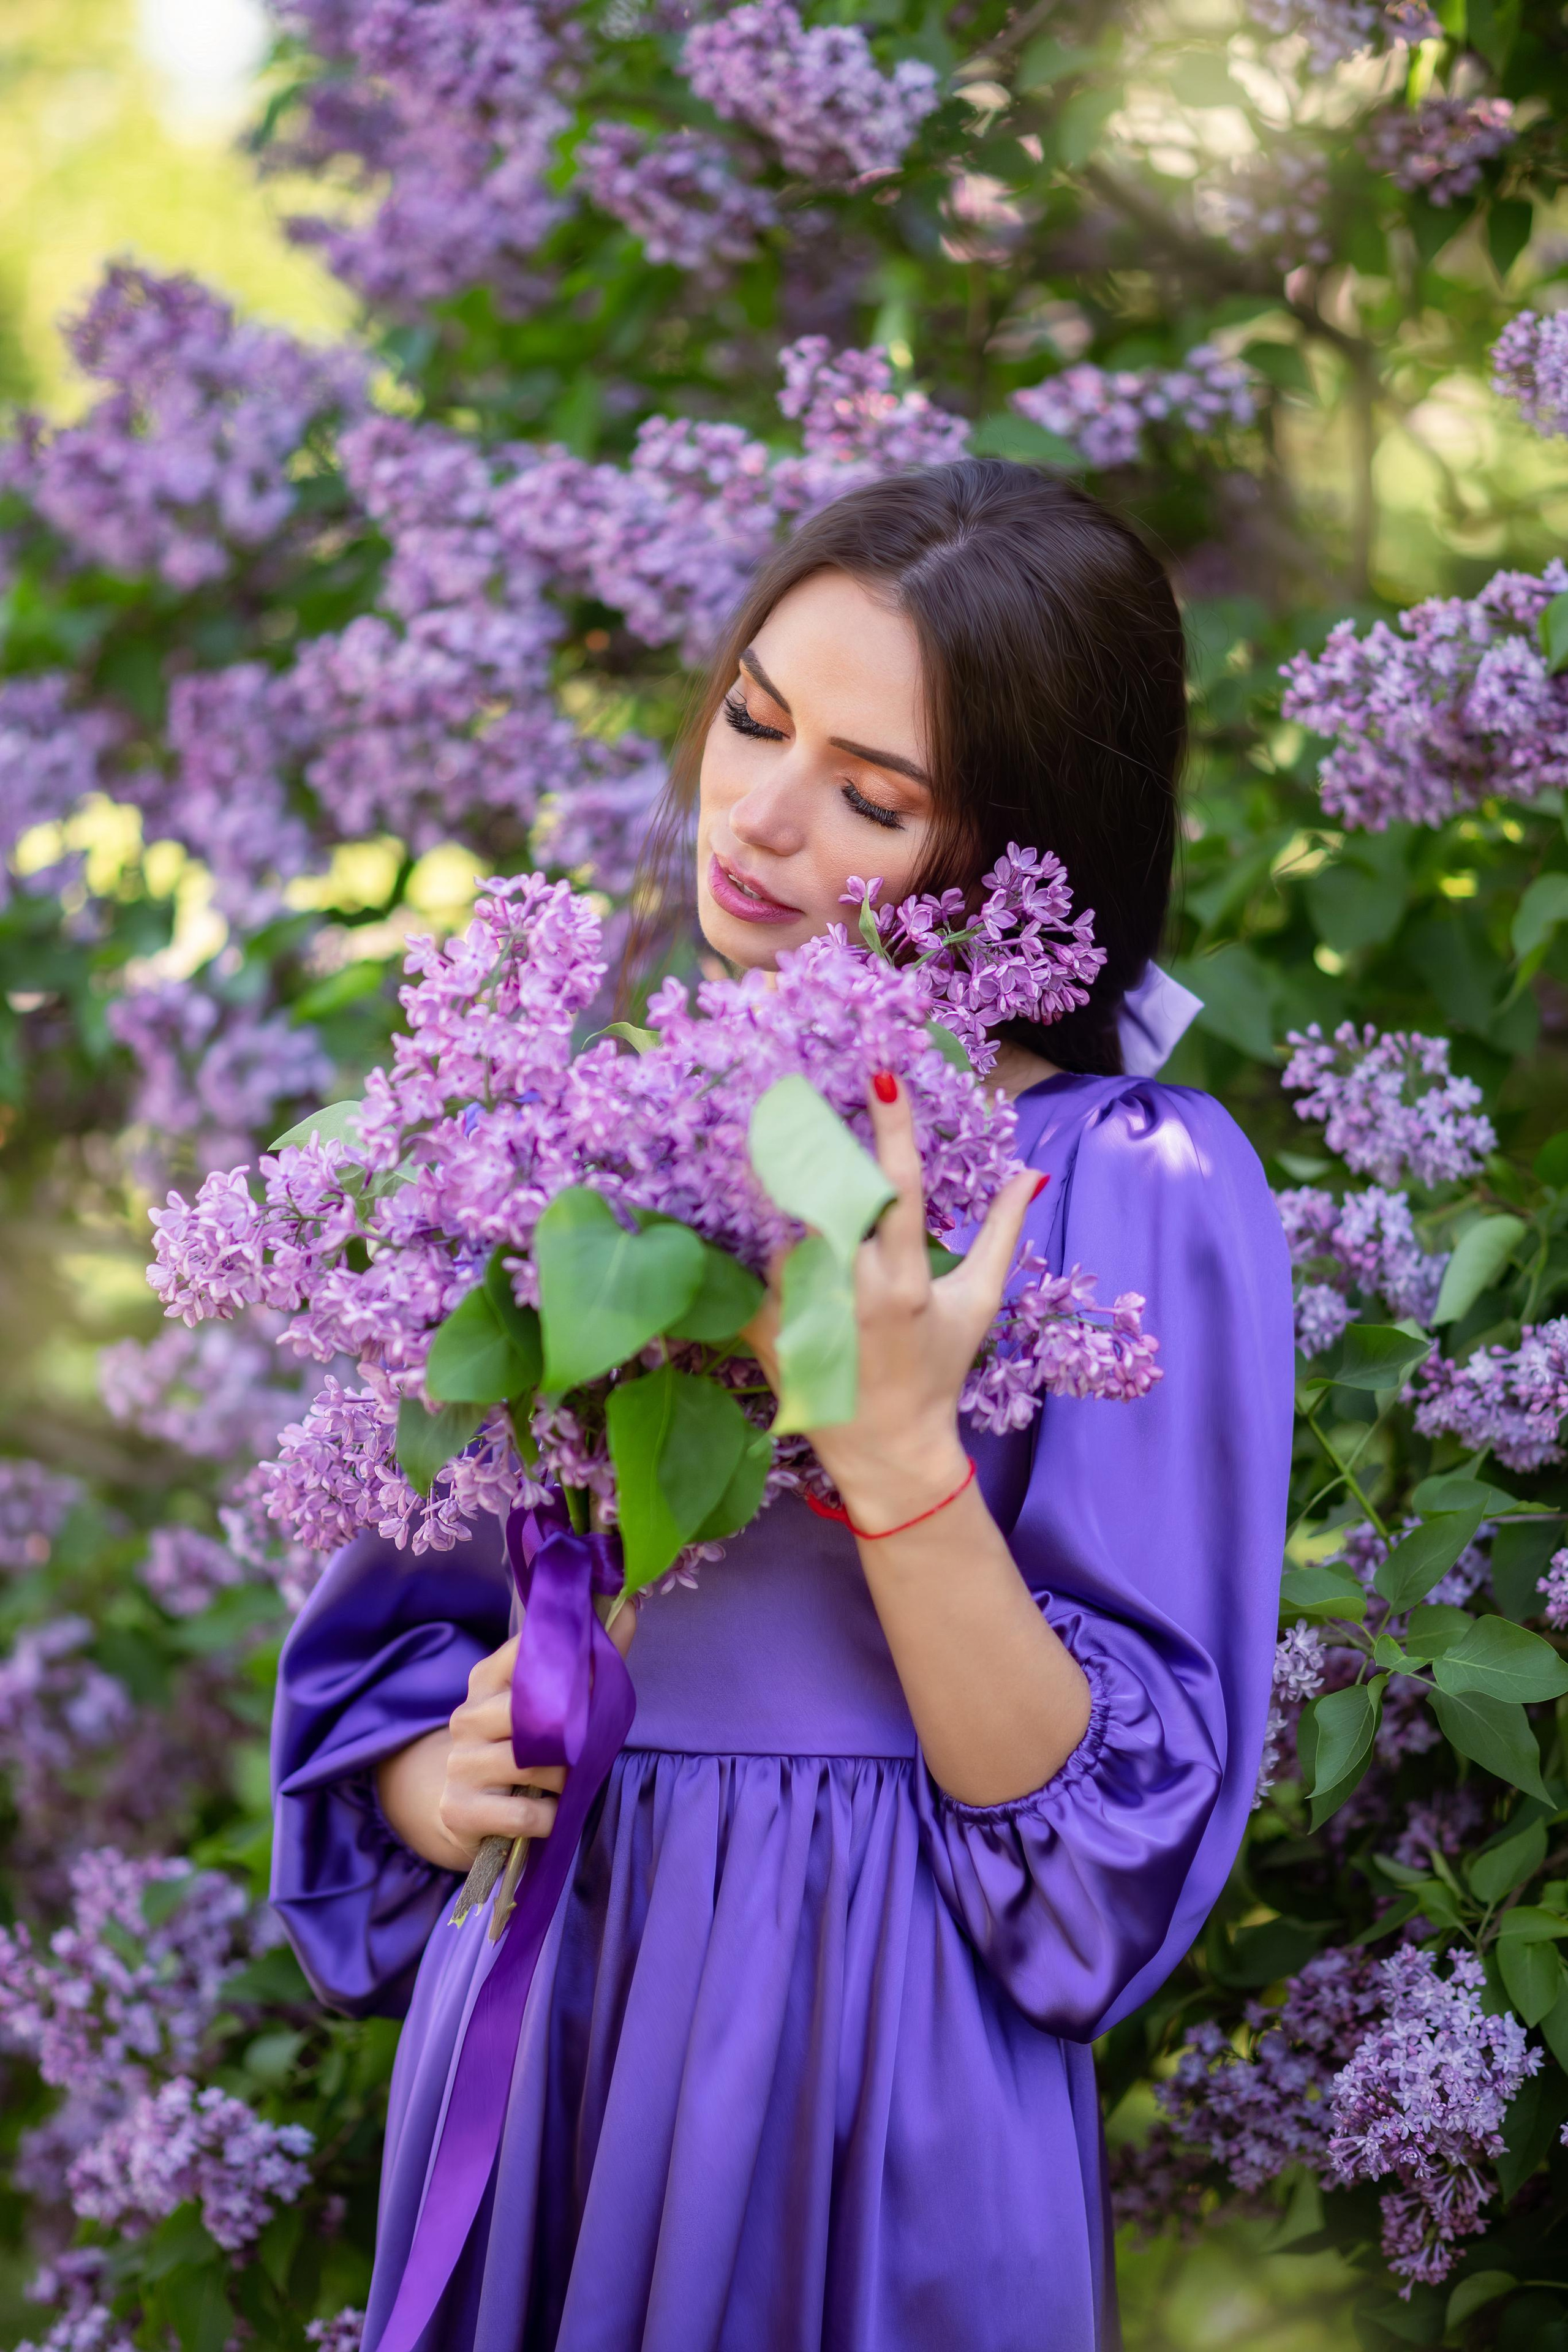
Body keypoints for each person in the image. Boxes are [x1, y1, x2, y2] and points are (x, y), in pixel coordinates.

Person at [271, 460, 1295, 2351]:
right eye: (754, 717)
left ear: (1027, 850)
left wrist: (902, 1455)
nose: (756, 814)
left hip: (871, 2062)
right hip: (555, 2003)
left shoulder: (1120, 1180)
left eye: (870, 794)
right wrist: (433, 1779)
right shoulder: (586, 1145)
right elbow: (380, 1675)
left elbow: (1100, 1876)